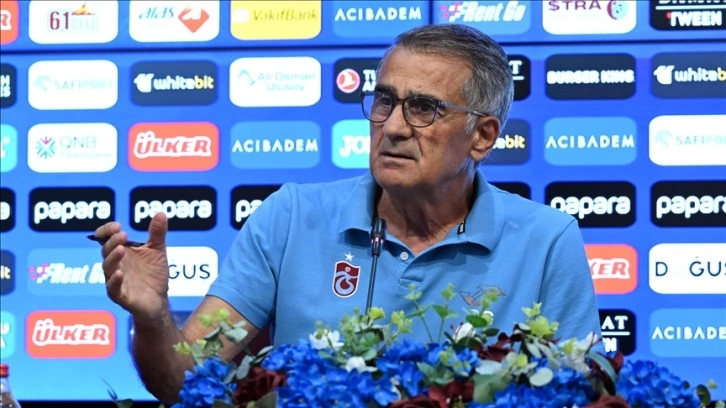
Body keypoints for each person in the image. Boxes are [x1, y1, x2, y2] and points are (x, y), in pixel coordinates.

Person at [96, 24, 602, 404]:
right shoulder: (291, 216)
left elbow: (578, 395)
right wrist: (153, 318)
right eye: (384, 101)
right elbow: (183, 383)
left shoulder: (547, 240)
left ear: (483, 136)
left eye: (423, 108)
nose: (393, 127)